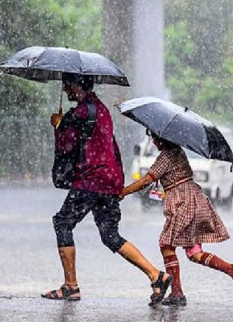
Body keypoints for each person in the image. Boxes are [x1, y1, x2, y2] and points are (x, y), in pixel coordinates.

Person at [41, 73, 171, 305]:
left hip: (90, 179)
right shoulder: (101, 110)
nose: (65, 89)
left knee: (62, 222)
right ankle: (156, 275)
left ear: (75, 86)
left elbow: (66, 144)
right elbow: (110, 145)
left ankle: (71, 286)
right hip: (109, 180)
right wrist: (117, 183)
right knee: (110, 235)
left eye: (67, 85)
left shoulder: (80, 112)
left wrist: (57, 125)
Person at [121, 131, 233, 306]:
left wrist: (123, 191)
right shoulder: (177, 151)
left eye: (154, 138)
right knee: (194, 253)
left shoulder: (167, 156)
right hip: (192, 199)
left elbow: (146, 180)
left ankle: (177, 293)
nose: (153, 141)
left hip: (184, 203)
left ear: (162, 138)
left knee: (167, 244)